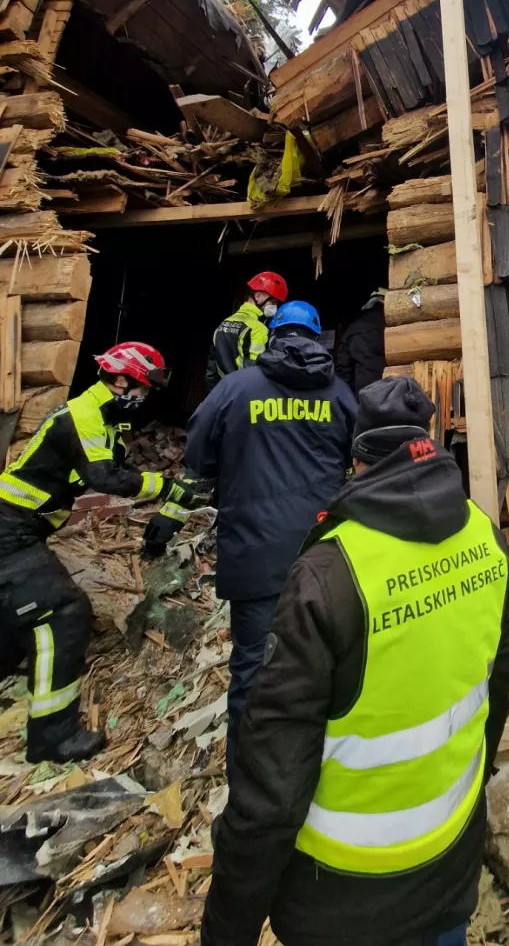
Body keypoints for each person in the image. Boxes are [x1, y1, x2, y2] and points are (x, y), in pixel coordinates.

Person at [200, 376, 509, 946]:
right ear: (427, 445)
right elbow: (500, 688)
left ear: (357, 462)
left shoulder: (328, 577)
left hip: (341, 902)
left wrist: (229, 929)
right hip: (449, 871)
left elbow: (271, 791)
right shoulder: (486, 538)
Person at [145, 300, 357, 773]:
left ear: (274, 334)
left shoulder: (235, 389)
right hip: (324, 557)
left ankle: (249, 781)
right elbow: (357, 463)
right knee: (325, 665)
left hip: (253, 555)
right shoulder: (341, 395)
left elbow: (199, 457)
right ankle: (317, 771)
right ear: (317, 337)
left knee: (252, 672)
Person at [0, 343, 196, 763]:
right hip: (8, 529)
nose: (145, 398)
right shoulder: (84, 415)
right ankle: (52, 736)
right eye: (143, 388)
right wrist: (166, 488)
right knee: (63, 612)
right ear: (121, 379)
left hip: (21, 528)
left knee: (17, 611)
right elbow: (107, 477)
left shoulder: (105, 417)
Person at [205, 271, 288, 391]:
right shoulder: (258, 329)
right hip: (244, 396)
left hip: (223, 394)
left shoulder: (222, 325)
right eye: (273, 302)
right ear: (258, 296)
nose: (274, 307)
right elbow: (254, 374)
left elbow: (211, 373)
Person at [334, 289, 385, 395]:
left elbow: (343, 369)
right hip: (393, 394)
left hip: (363, 395)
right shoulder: (397, 325)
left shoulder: (352, 326)